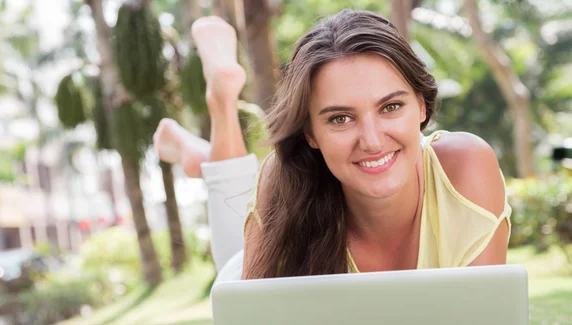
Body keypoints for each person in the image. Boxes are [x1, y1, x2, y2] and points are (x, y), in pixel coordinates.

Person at [154, 9, 511, 283]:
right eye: (340, 118)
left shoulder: (466, 166)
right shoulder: (284, 183)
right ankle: (221, 105)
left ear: (421, 105)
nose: (371, 141)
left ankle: (199, 155)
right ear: (310, 132)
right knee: (230, 258)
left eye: (391, 107)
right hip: (257, 254)